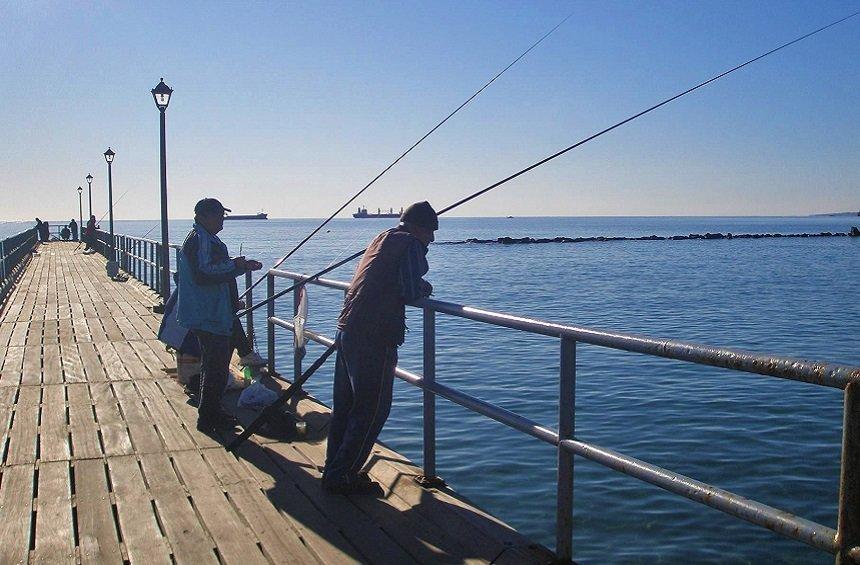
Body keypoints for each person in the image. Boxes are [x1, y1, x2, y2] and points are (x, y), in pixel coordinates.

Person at [322, 201, 437, 495]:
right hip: (374, 334)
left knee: (346, 407)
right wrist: (426, 287)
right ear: (417, 227)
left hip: (348, 328)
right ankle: (342, 476)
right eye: (430, 231)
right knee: (372, 409)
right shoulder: (410, 244)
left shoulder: (382, 238)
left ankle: (335, 466)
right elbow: (410, 289)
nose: (432, 239)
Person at [176, 198, 263, 433]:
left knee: (215, 366)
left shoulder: (203, 238)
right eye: (218, 215)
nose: (223, 219)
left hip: (212, 312)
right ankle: (208, 418)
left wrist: (237, 264)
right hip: (208, 314)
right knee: (215, 367)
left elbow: (211, 268)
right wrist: (238, 266)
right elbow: (204, 273)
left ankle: (211, 410)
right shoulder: (201, 240)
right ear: (203, 217)